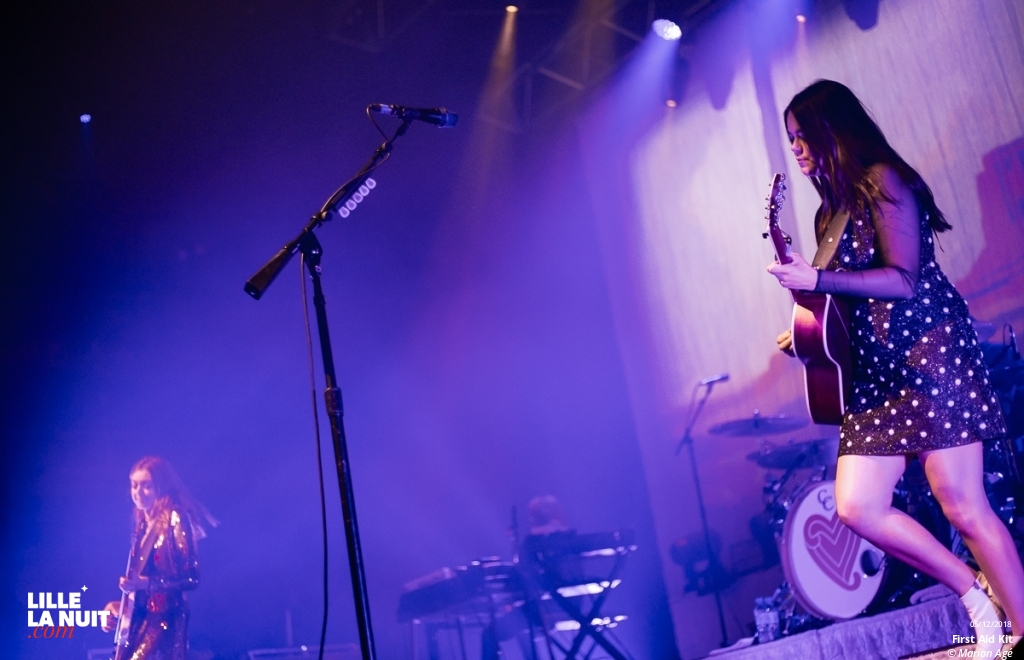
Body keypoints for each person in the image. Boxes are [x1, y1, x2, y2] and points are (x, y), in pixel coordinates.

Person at [767, 80, 1023, 654]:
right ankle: (974, 595)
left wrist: (816, 281)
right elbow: (846, 300)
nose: (799, 150)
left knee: (963, 505)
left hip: (930, 356)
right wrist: (809, 331)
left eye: (805, 137)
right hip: (876, 379)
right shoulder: (827, 214)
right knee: (857, 506)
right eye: (792, 141)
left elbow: (902, 281)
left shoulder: (882, 180)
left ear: (836, 132)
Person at [102, 456, 217, 660]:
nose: (138, 493)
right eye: (134, 485)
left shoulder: (176, 518)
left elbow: (191, 577)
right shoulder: (142, 526)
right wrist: (117, 607)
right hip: (143, 619)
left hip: (166, 622)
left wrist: (144, 583)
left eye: (146, 486)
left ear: (161, 487)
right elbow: (140, 588)